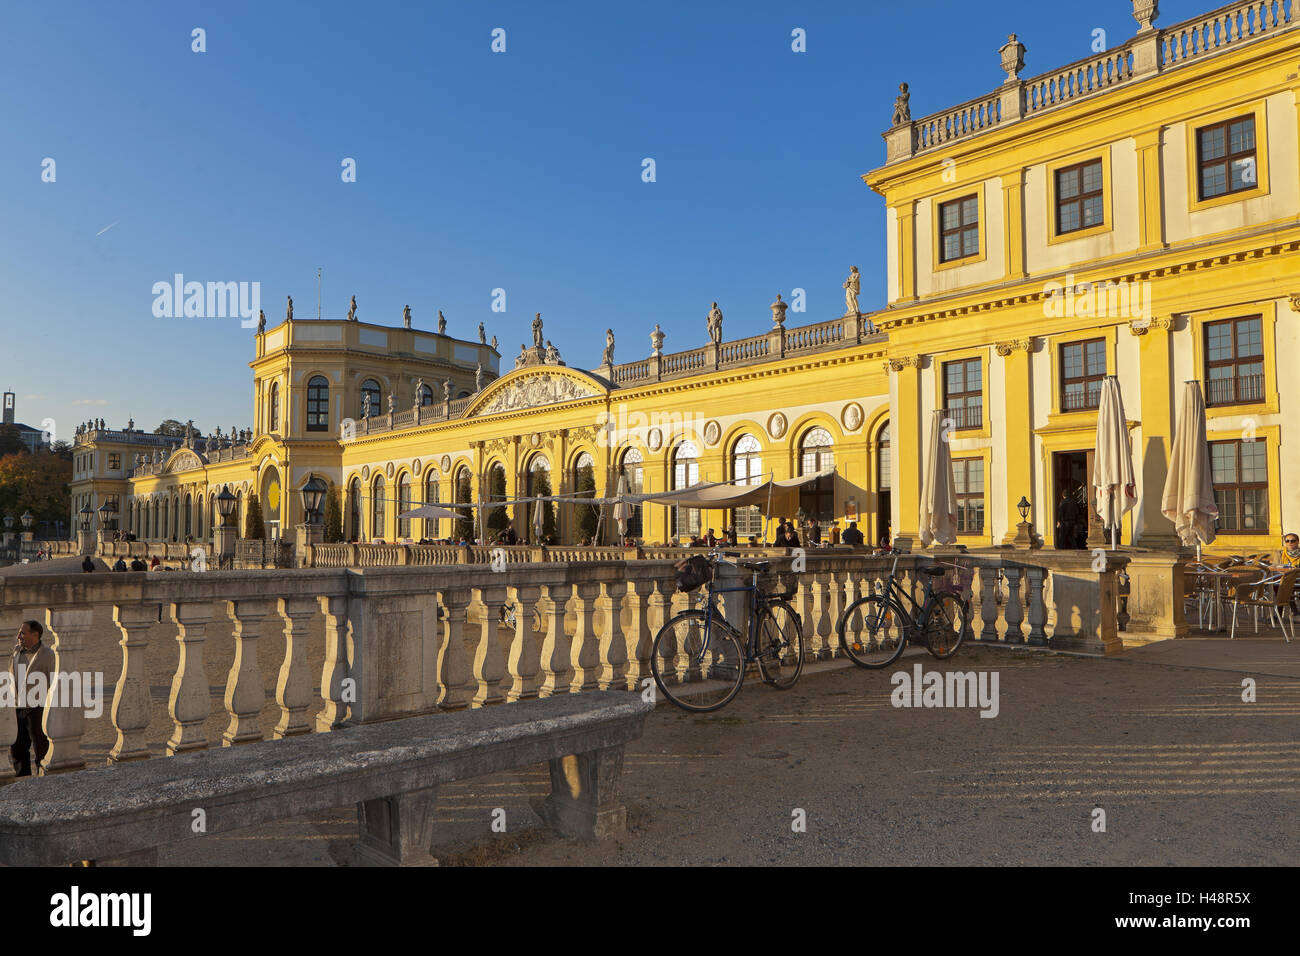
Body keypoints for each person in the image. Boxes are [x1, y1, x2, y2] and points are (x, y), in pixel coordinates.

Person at [9, 620, 54, 777]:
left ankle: (43, 780)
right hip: (17, 707)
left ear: (35, 635)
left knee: (41, 747)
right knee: (17, 749)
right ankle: (23, 780)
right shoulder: (15, 651)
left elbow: (53, 682)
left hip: (37, 709)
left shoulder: (47, 654)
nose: (18, 636)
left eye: (22, 633)